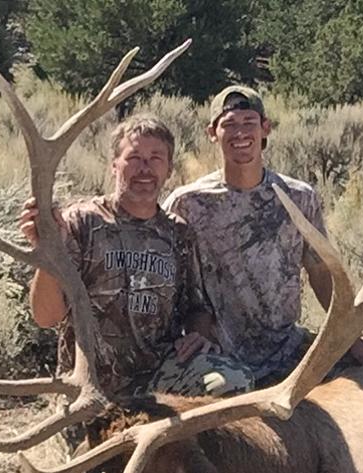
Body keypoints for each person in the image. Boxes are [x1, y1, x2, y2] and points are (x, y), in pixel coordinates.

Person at [163, 86, 363, 385]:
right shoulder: (187, 203)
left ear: (265, 127)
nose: (240, 133)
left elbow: (321, 273)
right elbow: (164, 277)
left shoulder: (299, 196)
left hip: (287, 347)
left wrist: (350, 339)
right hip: (220, 352)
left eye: (249, 122)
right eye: (229, 124)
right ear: (212, 132)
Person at [20, 114, 253, 399]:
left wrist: (198, 334)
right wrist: (49, 252)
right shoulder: (80, 223)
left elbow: (196, 307)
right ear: (114, 166)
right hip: (91, 386)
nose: (145, 168)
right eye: (134, 157)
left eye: (156, 158)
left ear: (168, 169)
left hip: (158, 378)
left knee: (233, 382)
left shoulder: (178, 233)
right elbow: (46, 317)